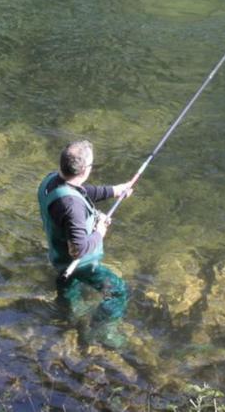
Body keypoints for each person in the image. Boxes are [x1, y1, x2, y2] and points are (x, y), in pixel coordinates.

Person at [37, 140, 136, 338]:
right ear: (84, 170)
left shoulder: (50, 181)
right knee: (118, 290)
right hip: (80, 263)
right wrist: (99, 231)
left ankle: (66, 317)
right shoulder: (72, 207)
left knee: (69, 287)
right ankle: (101, 330)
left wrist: (115, 190)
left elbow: (79, 191)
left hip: (58, 256)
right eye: (91, 165)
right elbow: (79, 249)